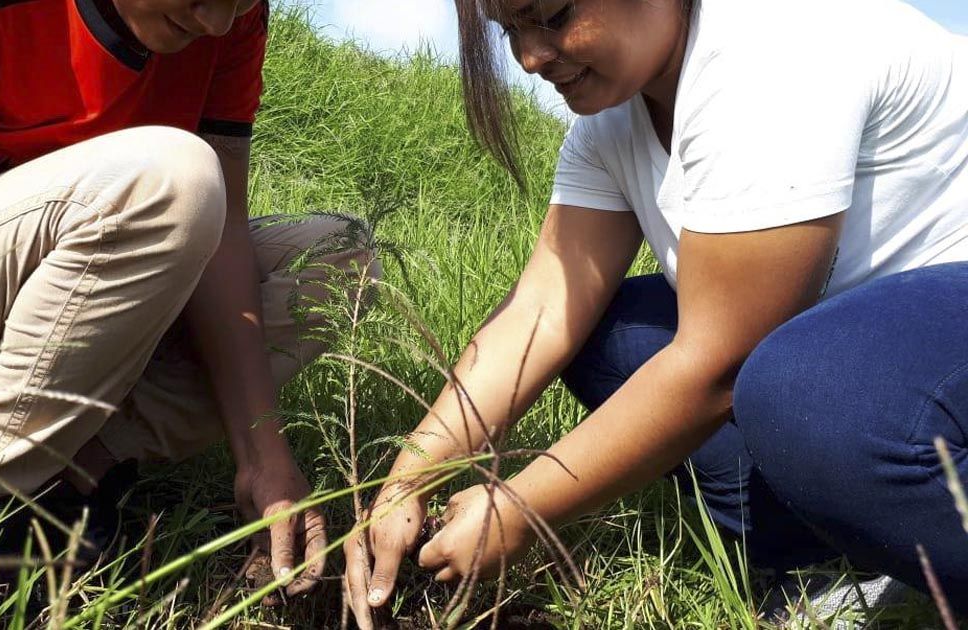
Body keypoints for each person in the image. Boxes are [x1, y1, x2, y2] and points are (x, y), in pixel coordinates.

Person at [344, 0, 968, 624]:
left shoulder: (774, 48)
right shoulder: (615, 118)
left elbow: (719, 364)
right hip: (863, 347)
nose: (531, 58)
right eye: (511, 30)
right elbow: (544, 309)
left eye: (555, 16)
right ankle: (846, 558)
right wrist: (408, 479)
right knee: (605, 338)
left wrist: (520, 509)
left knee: (796, 387)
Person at [0, 0, 377, 592]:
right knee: (172, 178)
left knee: (339, 258)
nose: (217, 20)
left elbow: (225, 240)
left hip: (28, 315)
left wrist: (261, 448)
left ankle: (69, 477)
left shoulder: (224, 19)